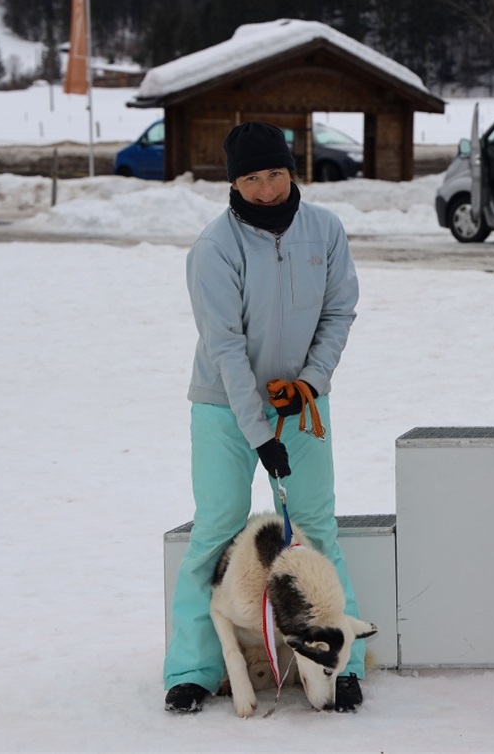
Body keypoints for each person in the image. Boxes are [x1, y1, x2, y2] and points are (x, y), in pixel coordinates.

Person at [164, 121, 366, 713]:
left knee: (317, 528)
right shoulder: (214, 248)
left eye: (275, 173)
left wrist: (311, 383)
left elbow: (339, 312)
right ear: (233, 183)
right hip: (224, 408)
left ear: (291, 169)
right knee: (215, 528)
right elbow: (225, 346)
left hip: (300, 403)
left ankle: (341, 662)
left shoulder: (325, 231)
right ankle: (194, 667)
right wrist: (258, 433)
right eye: (251, 178)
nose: (267, 189)